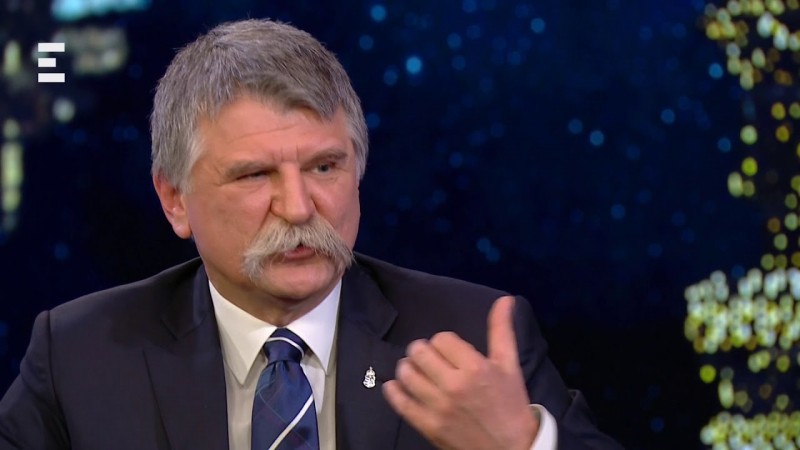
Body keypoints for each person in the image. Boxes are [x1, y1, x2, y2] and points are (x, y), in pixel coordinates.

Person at [0, 19, 622, 450]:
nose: (299, 208)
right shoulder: (79, 355)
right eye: (254, 175)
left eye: (325, 167)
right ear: (174, 200)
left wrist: (522, 444)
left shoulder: (473, 335)